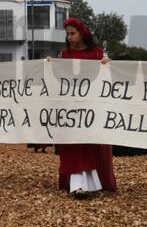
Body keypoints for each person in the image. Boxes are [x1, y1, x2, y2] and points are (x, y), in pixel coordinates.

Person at [56, 18, 117, 198]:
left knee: (89, 144)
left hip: (91, 108)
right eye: (67, 34)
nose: (69, 37)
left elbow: (108, 77)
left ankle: (91, 184)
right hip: (71, 108)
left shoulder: (97, 54)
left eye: (72, 33)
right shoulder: (64, 55)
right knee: (73, 145)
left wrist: (108, 64)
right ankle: (77, 184)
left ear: (82, 34)